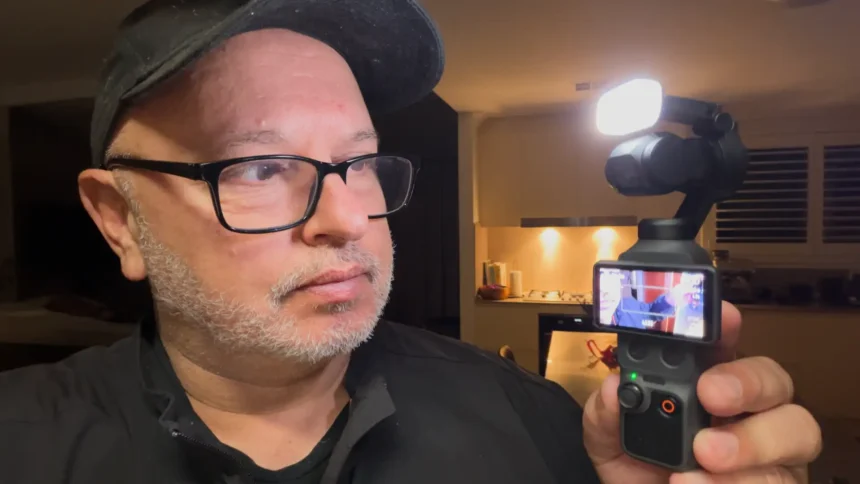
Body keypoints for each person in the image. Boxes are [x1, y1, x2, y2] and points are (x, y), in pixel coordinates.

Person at [0, 1, 822, 483]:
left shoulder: (540, 424)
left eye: (358, 163)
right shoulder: (22, 442)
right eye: (260, 167)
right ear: (119, 219)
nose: (348, 218)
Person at [599, 269, 692, 332]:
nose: (605, 289)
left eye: (612, 273)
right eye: (600, 273)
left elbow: (650, 313)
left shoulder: (627, 305)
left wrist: (670, 300)